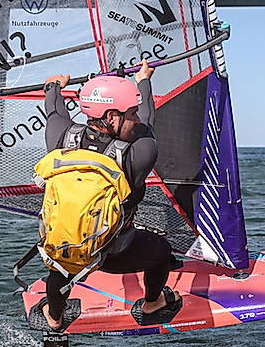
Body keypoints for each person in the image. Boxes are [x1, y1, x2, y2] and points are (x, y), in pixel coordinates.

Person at [34, 62, 182, 331]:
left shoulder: (59, 137)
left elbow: (54, 110)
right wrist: (143, 81)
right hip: (114, 251)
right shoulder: (137, 154)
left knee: (60, 269)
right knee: (161, 250)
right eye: (131, 114)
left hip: (64, 249)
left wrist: (53, 85)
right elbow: (149, 121)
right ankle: (153, 303)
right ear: (112, 117)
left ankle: (53, 316)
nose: (136, 120)